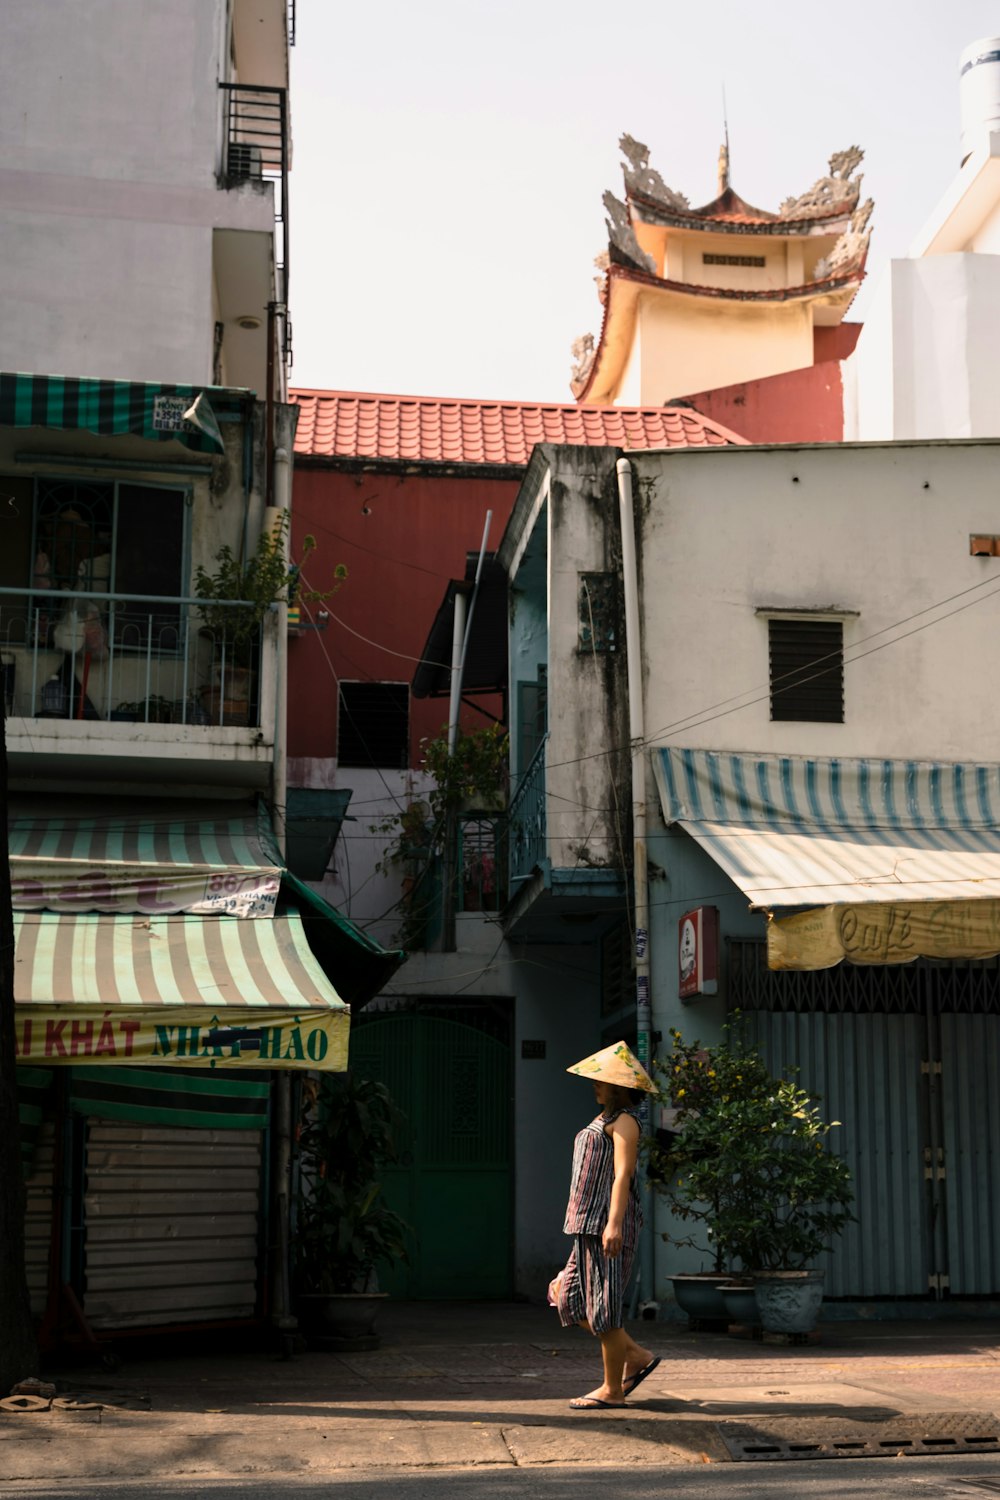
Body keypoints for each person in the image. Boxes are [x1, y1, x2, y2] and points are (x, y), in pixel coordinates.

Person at [554, 1040, 662, 1410]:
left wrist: (613, 1224)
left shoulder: (625, 1122)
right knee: (566, 1297)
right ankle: (635, 1355)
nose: (595, 1085)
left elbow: (623, 1175)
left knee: (604, 1310)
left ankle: (612, 1389)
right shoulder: (601, 1121)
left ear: (618, 1087)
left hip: (606, 1225)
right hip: (585, 1225)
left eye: (601, 1080)